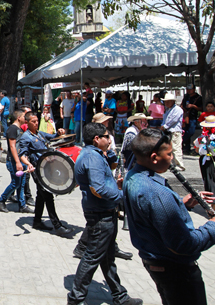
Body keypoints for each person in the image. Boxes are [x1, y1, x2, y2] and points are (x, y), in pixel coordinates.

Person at [124, 127, 215, 305]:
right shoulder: (157, 192)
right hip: (177, 271)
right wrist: (212, 225)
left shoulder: (132, 176)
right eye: (170, 154)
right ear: (154, 157)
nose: (172, 158)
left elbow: (150, 212)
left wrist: (180, 203)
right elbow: (184, 244)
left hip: (158, 264)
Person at [68, 122, 143, 305]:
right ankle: (75, 298)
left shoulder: (93, 154)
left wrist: (109, 151)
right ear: (96, 138)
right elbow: (98, 188)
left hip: (104, 211)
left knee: (107, 258)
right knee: (92, 256)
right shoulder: (92, 157)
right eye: (106, 137)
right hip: (100, 214)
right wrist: (120, 195)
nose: (109, 140)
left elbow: (106, 172)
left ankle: (119, 296)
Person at [18, 113, 73, 236]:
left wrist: (59, 133)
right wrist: (28, 164)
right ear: (27, 123)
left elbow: (53, 137)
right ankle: (57, 226)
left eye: (37, 121)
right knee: (48, 195)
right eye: (33, 121)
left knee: (41, 195)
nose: (36, 123)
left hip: (46, 168)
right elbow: (22, 154)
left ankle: (37, 221)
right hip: (38, 170)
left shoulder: (40, 133)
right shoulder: (26, 137)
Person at [0, 108, 30, 212]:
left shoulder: (19, 129)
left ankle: (22, 205)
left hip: (21, 160)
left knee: (21, 183)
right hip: (13, 161)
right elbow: (12, 147)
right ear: (19, 117)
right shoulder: (12, 129)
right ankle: (2, 200)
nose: (25, 118)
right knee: (15, 183)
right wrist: (17, 162)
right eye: (24, 116)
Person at [162, 93, 186, 171]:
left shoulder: (177, 109)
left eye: (168, 101)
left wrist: (164, 126)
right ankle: (173, 164)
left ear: (172, 101)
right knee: (170, 148)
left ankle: (180, 164)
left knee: (176, 148)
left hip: (175, 131)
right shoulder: (168, 110)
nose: (166, 103)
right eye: (166, 101)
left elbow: (173, 120)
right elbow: (165, 120)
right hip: (169, 131)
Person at [195, 115, 215, 193]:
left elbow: (196, 147)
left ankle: (211, 199)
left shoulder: (201, 138)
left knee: (208, 180)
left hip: (206, 160)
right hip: (210, 159)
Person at [182, 85, 204, 155]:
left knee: (191, 131)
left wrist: (193, 106)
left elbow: (201, 108)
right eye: (188, 89)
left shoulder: (198, 97)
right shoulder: (186, 96)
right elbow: (183, 104)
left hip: (193, 116)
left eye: (190, 89)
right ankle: (186, 148)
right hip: (185, 116)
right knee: (185, 131)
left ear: (194, 89)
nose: (189, 91)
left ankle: (182, 141)